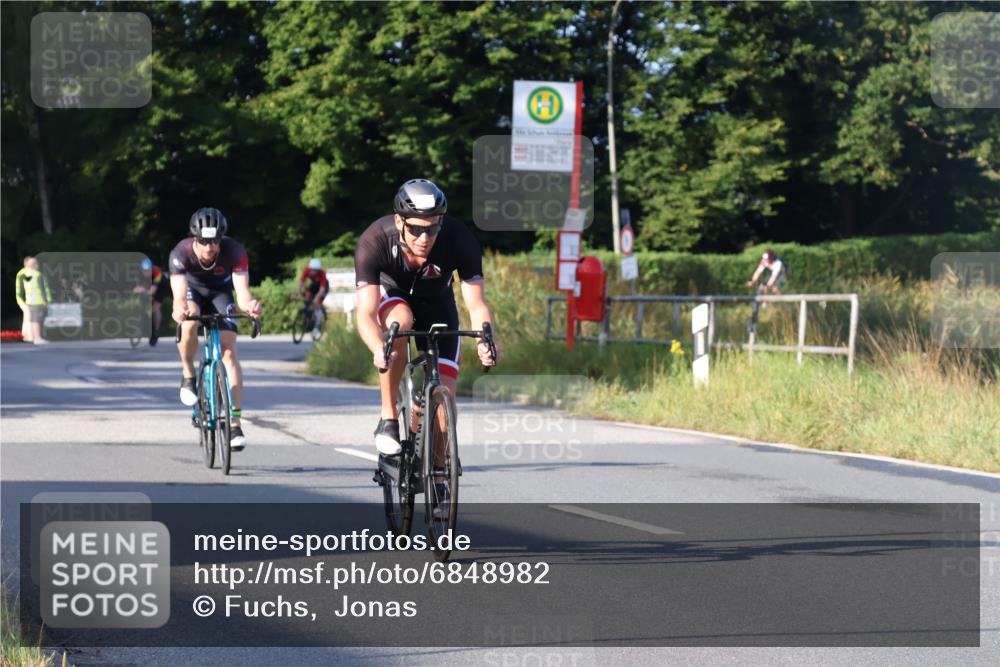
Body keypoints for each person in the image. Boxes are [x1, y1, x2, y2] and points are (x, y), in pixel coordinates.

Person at [354, 178, 500, 457]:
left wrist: (486, 341)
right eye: (415, 229)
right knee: (401, 320)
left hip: (438, 303)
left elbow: (477, 304)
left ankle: (440, 471)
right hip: (394, 296)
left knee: (446, 401)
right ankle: (388, 417)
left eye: (432, 228)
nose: (424, 238)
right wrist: (377, 348)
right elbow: (365, 312)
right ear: (399, 221)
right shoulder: (375, 240)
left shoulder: (459, 238)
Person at [169, 207, 263, 452]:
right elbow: (179, 295)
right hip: (193, 291)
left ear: (221, 239)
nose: (209, 247)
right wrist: (179, 308)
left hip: (221, 293)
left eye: (214, 241)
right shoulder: (181, 252)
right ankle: (188, 373)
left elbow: (242, 292)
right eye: (203, 241)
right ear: (194, 239)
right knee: (189, 322)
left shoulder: (235, 251)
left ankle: (235, 424)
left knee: (229, 353)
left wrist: (250, 305)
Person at [15, 256, 51, 344]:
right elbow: (22, 289)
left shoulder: (27, 273)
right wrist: (22, 301)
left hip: (28, 300)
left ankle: (28, 337)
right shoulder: (25, 274)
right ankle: (32, 337)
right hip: (27, 300)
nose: (36, 264)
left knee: (29, 318)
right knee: (32, 318)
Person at [135, 258, 170, 345]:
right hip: (149, 285)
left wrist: (142, 290)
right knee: (142, 302)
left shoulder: (157, 272)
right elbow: (136, 287)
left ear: (152, 269)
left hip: (162, 287)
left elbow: (152, 291)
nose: (146, 273)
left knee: (155, 308)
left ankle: (156, 330)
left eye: (148, 271)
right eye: (144, 271)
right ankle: (143, 321)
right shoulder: (139, 273)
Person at [296, 258, 329, 340]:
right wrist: (296, 293)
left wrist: (317, 298)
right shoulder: (306, 270)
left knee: (316, 304)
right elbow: (301, 283)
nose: (313, 272)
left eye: (316, 270)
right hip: (313, 286)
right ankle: (308, 317)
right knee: (307, 299)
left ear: (318, 270)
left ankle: (317, 326)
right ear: (310, 269)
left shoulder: (322, 274)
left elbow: (322, 289)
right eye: (312, 270)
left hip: (322, 288)